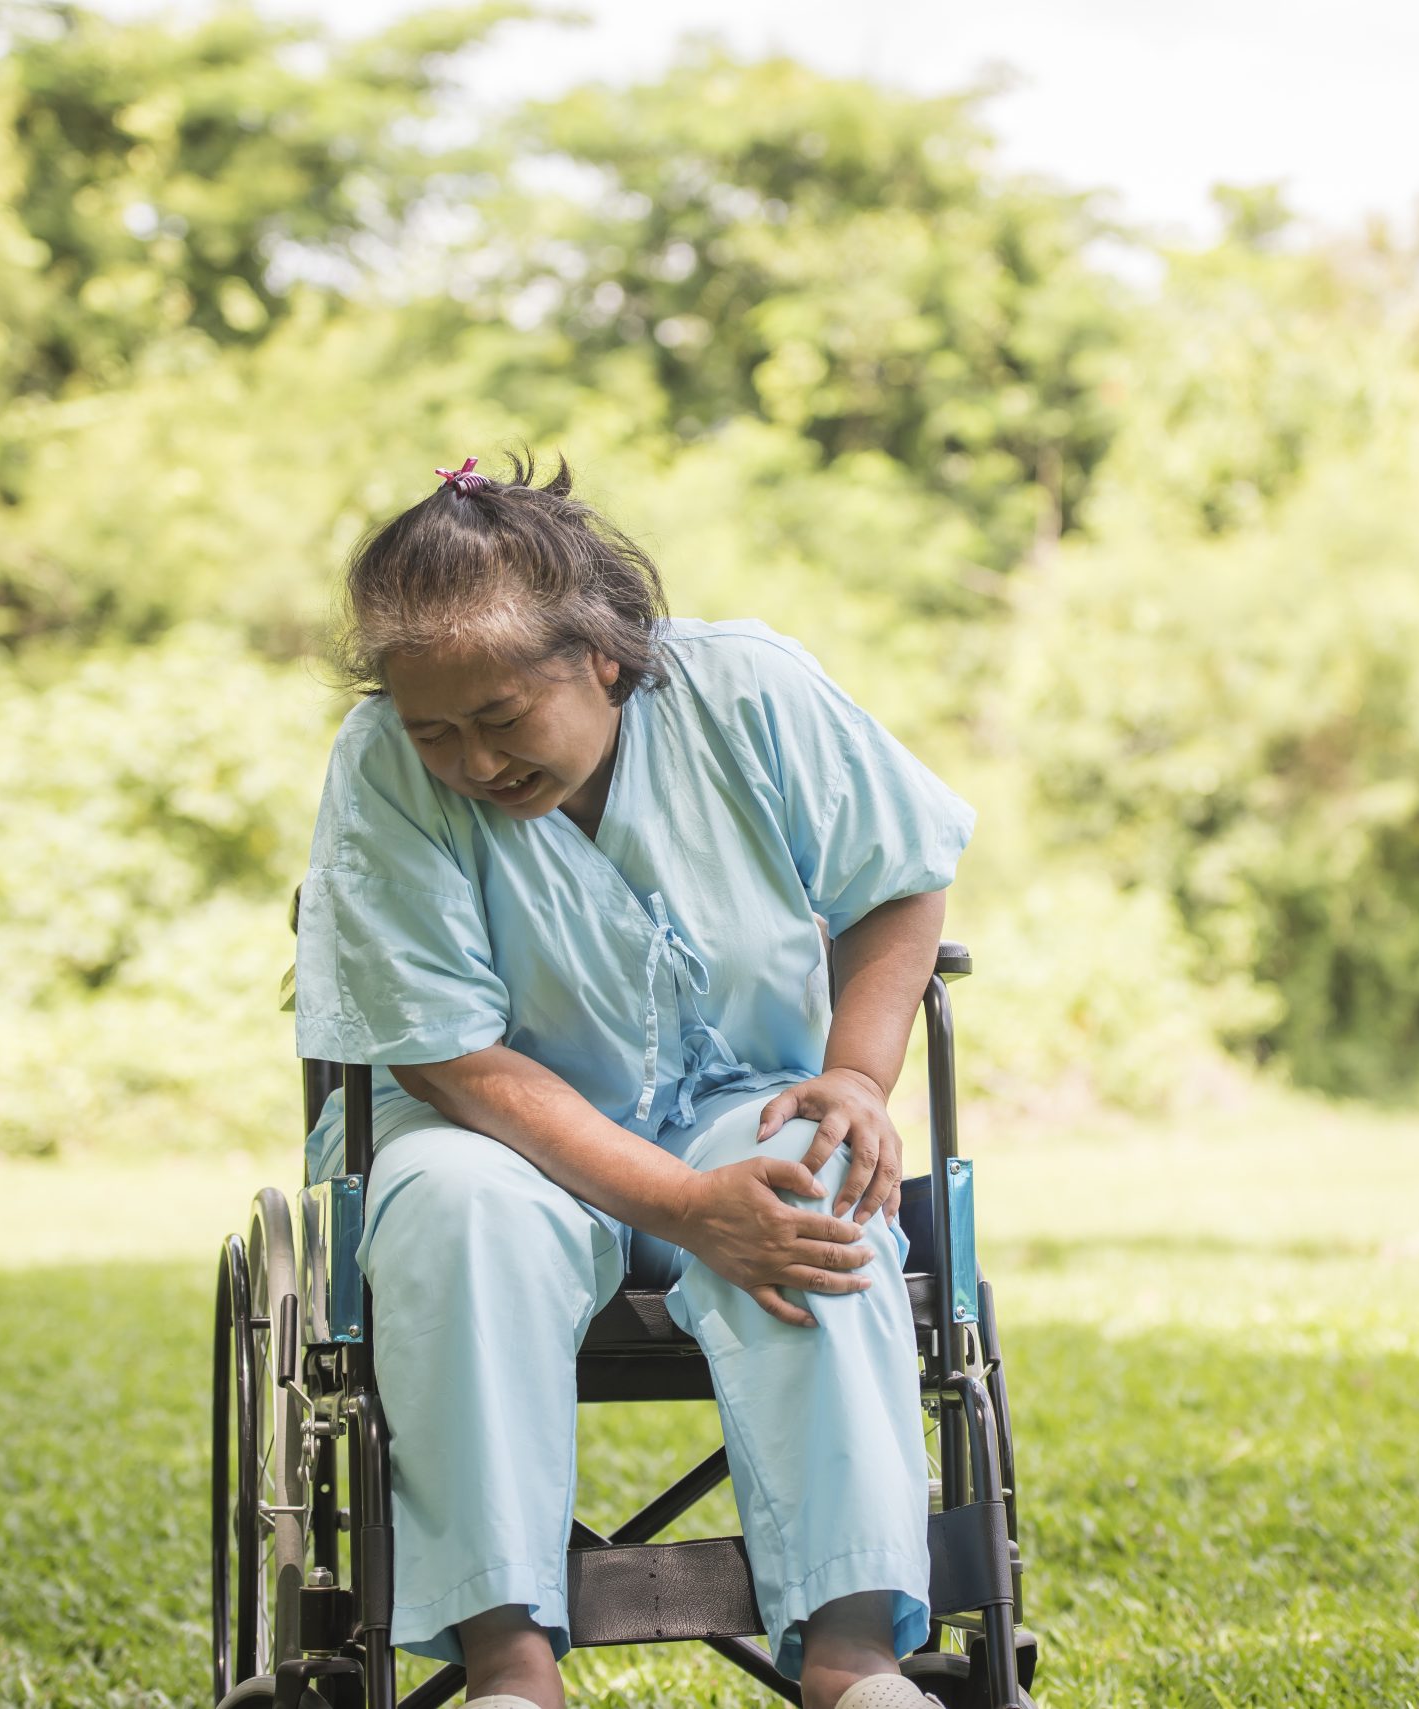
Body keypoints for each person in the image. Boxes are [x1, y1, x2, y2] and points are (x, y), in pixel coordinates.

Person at [293, 452, 976, 1709]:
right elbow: (451, 1055)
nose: (469, 762)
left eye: (499, 718)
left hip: (738, 1094)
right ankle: (509, 1664)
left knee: (814, 1184)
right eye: (434, 729)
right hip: (487, 1122)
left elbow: (899, 878)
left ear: (603, 653)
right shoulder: (381, 768)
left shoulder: (750, 689)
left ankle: (853, 1655)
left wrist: (858, 1078)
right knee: (455, 1210)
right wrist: (675, 1202)